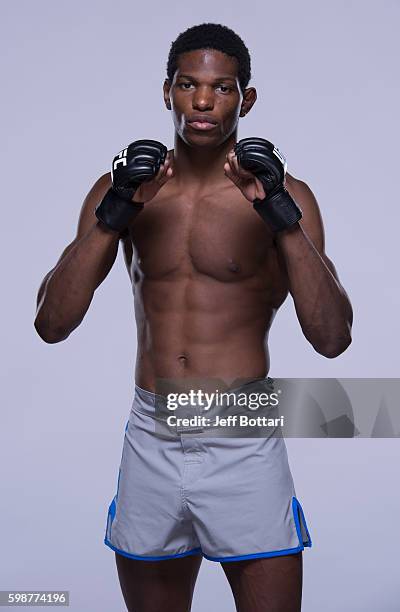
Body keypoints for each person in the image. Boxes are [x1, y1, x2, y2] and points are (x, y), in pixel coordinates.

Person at [34, 22, 353, 612]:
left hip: (240, 430)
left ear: (246, 99)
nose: (203, 102)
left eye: (222, 87)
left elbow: (333, 338)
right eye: (188, 84)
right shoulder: (122, 190)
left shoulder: (289, 196)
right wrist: (114, 213)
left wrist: (281, 215)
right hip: (151, 431)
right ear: (167, 92)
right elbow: (52, 324)